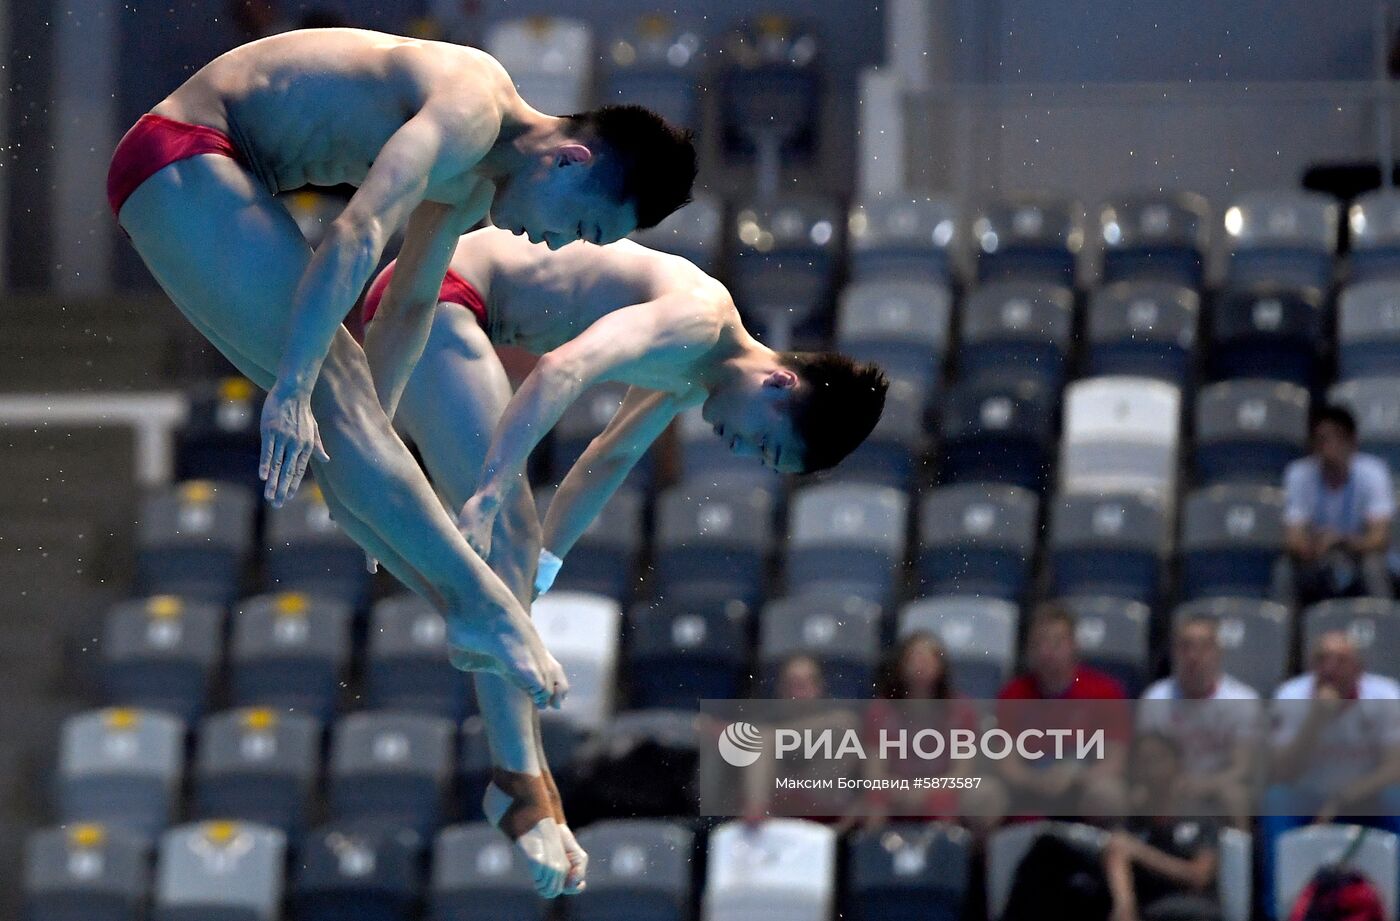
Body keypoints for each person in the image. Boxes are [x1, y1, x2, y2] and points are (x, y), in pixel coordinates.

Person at [108, 27, 695, 898]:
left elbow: (409, 308)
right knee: (336, 397)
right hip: (184, 152)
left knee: (356, 438)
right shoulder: (467, 104)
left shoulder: (472, 185)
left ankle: (514, 757)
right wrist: (298, 388)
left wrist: (371, 464)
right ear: (569, 160)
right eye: (576, 226)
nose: (546, 244)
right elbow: (354, 233)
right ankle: (486, 615)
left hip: (224, 177)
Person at [359, 226, 888, 589]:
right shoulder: (697, 320)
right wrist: (489, 496)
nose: (740, 449)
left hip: (438, 304)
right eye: (764, 442)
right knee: (504, 539)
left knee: (513, 570)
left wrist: (543, 573)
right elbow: (561, 370)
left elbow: (605, 461)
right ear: (779, 384)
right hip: (439, 292)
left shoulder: (690, 379)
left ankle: (380, 506)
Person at [1000, 733, 1222, 921]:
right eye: (1143, 761)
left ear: (1177, 764)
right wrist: (1124, 907)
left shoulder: (1199, 816)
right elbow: (1117, 855)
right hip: (1145, 903)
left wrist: (1141, 852)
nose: (1151, 768)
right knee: (1049, 853)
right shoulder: (1130, 818)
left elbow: (1198, 876)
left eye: (1158, 759)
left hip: (1188, 905)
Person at [1259, 630, 1400, 917]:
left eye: (1341, 660)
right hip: (1306, 797)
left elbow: (1394, 766)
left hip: (1365, 796)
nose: (1330, 668)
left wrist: (1344, 796)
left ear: (1359, 668)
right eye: (1322, 659)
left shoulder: (1385, 694)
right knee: (1275, 799)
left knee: (1396, 799)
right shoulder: (1291, 695)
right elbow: (1283, 772)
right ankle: (1277, 911)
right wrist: (1316, 719)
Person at [996, 603, 1131, 820]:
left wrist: (1075, 778)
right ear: (1029, 650)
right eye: (1039, 643)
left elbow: (1114, 760)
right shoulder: (1013, 693)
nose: (1047, 651)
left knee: (1108, 795)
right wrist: (1036, 780)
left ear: (1074, 646)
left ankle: (1110, 852)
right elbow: (1007, 762)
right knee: (981, 797)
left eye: (1057, 643)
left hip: (1084, 784)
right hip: (1029, 785)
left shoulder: (1104, 690)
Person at [857, 632, 1001, 832]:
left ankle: (955, 859)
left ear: (941, 666)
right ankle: (873, 859)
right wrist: (902, 789)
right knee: (873, 800)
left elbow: (961, 773)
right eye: (914, 658)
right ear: (901, 665)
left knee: (975, 796)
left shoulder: (961, 709)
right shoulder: (881, 710)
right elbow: (874, 773)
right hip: (895, 789)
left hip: (941, 787)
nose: (921, 664)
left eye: (928, 658)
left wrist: (926, 790)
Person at [1138, 616, 1261, 826]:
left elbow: (1242, 769)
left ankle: (1238, 857)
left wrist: (1201, 785)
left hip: (1217, 785)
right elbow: (1145, 761)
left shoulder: (1243, 700)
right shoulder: (1155, 698)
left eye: (1203, 647)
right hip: (1168, 786)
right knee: (1133, 794)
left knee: (1236, 796)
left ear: (1218, 653)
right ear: (1175, 653)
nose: (1193, 656)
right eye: (1185, 647)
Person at [1277, 405, 1394, 606]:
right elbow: (1293, 538)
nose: (1330, 447)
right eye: (1322, 439)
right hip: (1318, 555)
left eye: (1337, 438)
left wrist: (1340, 541)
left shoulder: (1373, 473)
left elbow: (1379, 538)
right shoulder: (1298, 474)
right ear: (1312, 444)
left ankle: (1383, 629)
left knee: (1374, 566)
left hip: (1357, 554)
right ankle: (1286, 634)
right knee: (1285, 569)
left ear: (1352, 442)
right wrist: (1312, 547)